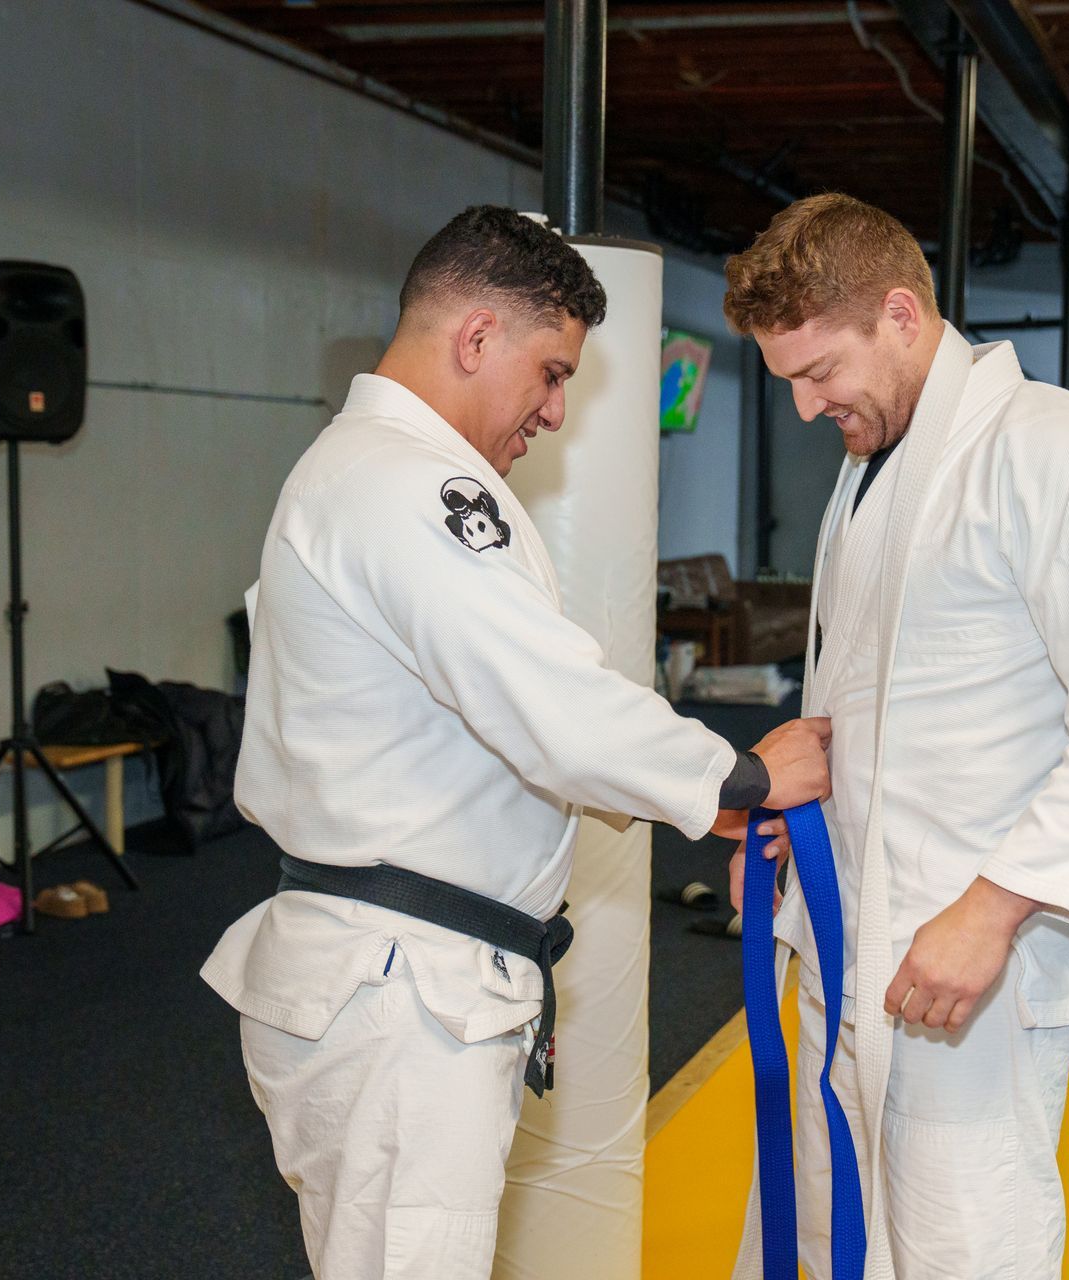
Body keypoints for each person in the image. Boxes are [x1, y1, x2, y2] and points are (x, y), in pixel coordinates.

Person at [201, 205, 832, 1280]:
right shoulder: (409, 486)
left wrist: (702, 795)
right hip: (402, 992)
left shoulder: (361, 473)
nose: (552, 409)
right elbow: (552, 704)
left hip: (395, 973)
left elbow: (497, 724)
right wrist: (747, 773)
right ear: (475, 335)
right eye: (548, 371)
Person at [721, 194, 1069, 1278]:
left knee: (958, 1248)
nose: (803, 406)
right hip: (845, 936)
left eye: (818, 370)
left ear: (899, 312)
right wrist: (793, 820)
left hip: (971, 964)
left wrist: (996, 905)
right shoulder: (868, 468)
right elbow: (876, 698)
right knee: (822, 1232)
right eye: (786, 377)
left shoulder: (1057, 449)